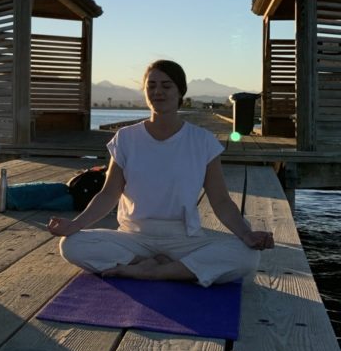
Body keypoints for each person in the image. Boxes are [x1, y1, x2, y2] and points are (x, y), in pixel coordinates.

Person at [47, 59, 274, 285]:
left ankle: (154, 271)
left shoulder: (202, 141)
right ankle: (154, 265)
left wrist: (246, 234)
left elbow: (222, 201)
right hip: (133, 237)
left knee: (247, 255)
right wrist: (74, 225)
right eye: (151, 86)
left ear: (180, 92)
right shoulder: (126, 138)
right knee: (71, 244)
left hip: (183, 239)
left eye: (166, 86)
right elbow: (108, 195)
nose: (158, 92)